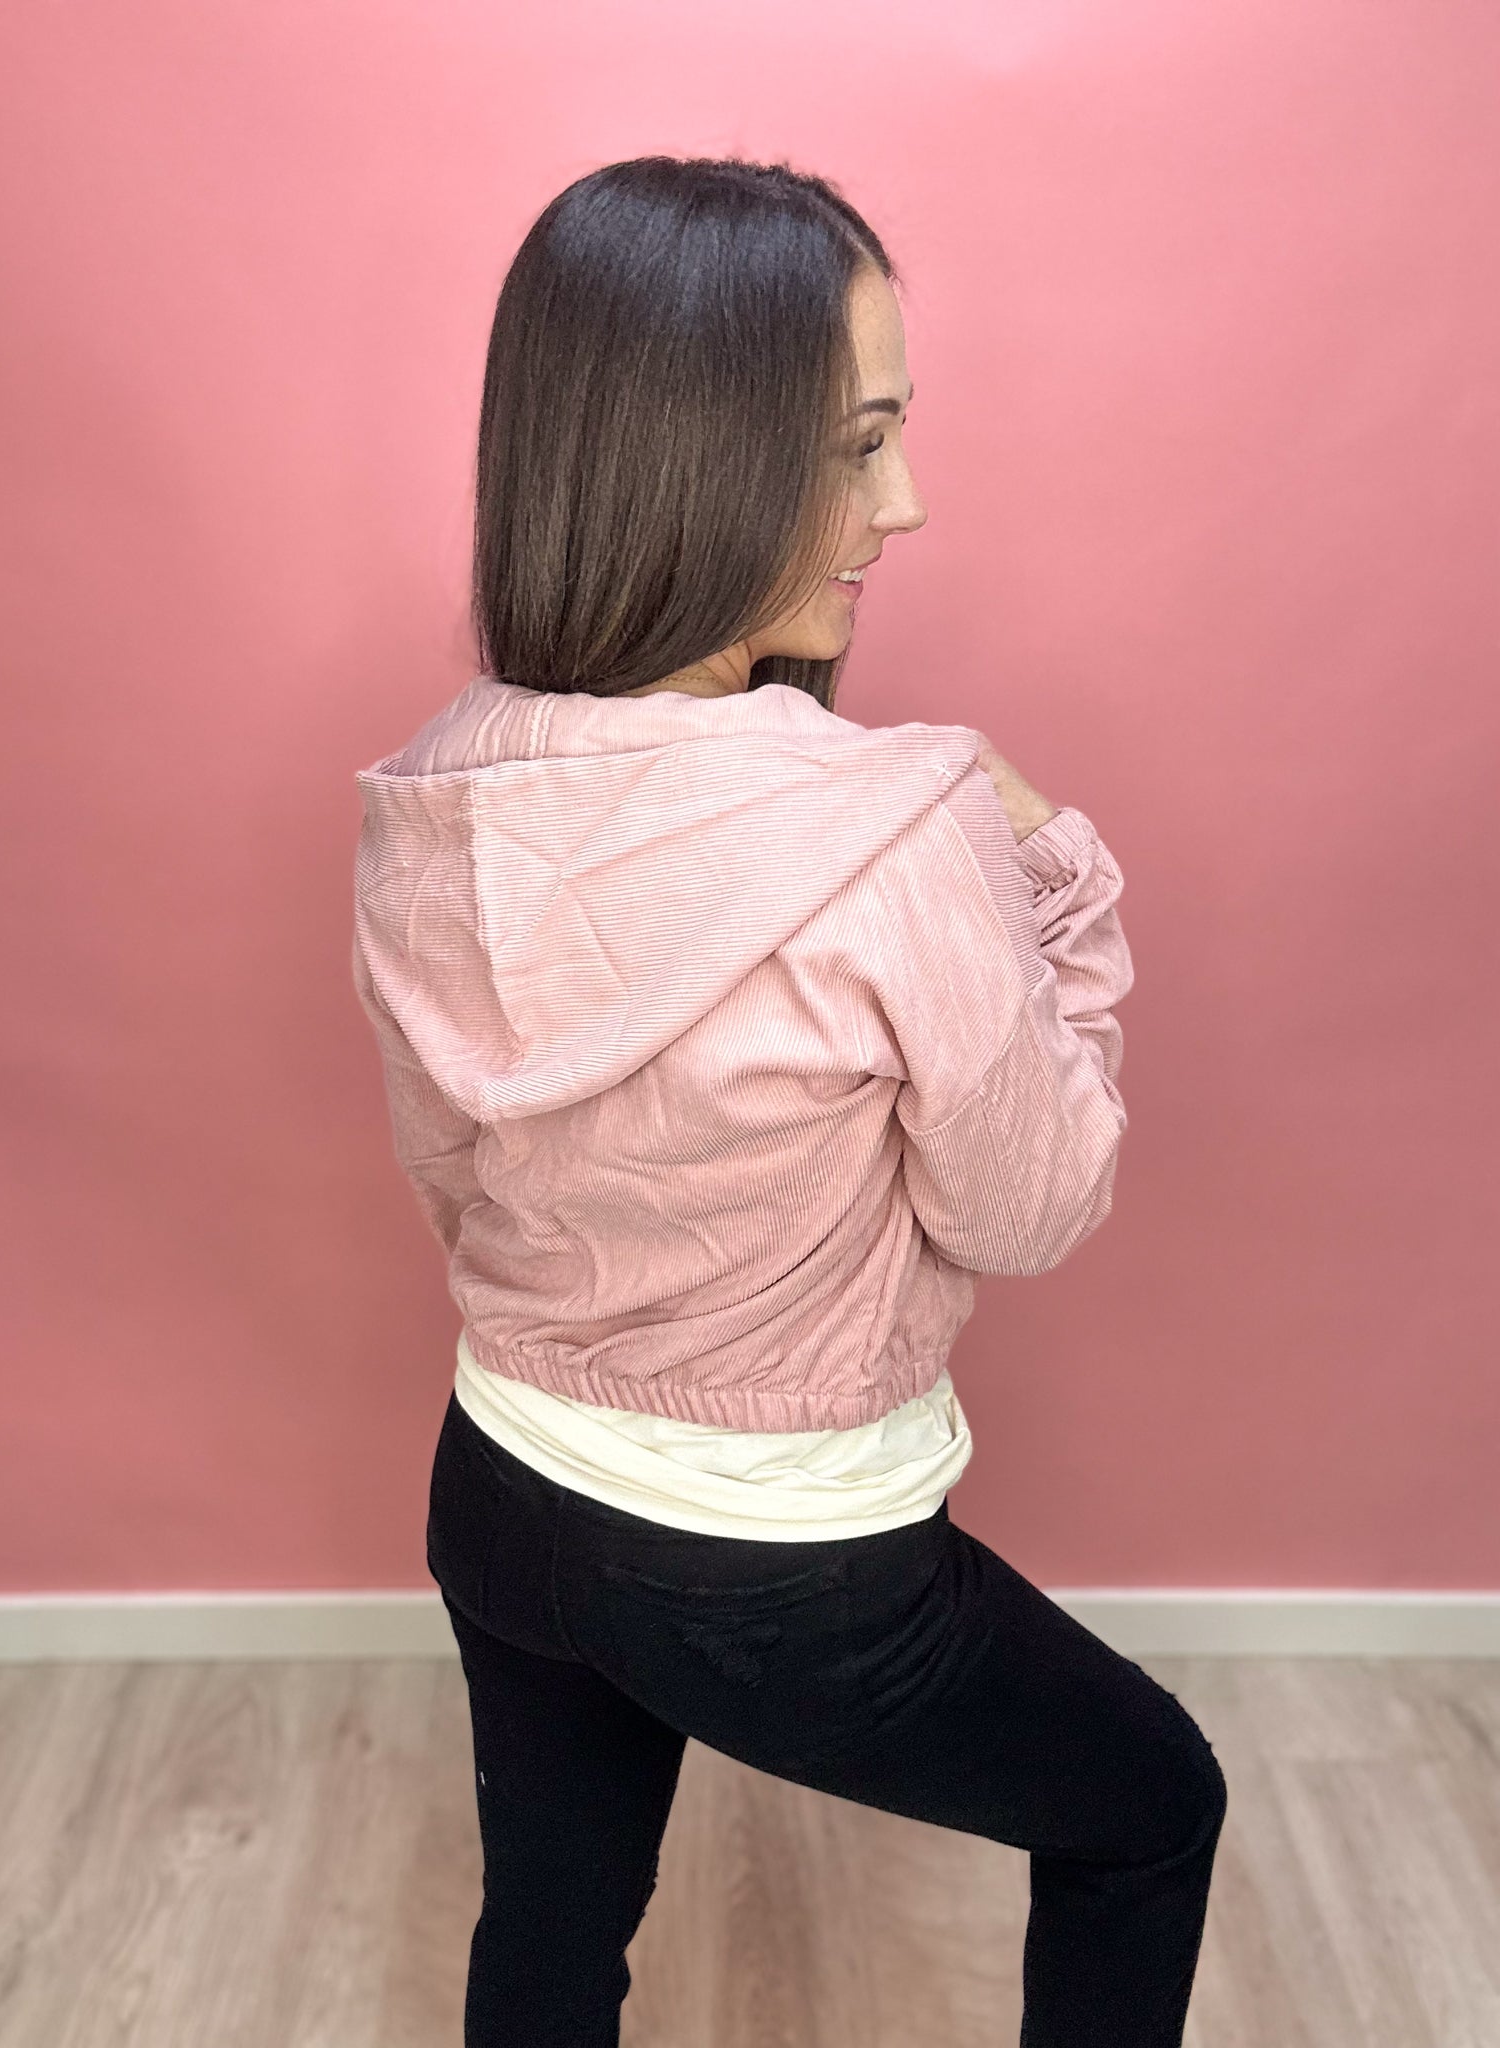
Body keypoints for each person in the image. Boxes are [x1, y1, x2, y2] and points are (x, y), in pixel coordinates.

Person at [351, 153, 1226, 2048]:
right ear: (696, 459)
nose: (904, 504)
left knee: (554, 1936)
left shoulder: (430, 791)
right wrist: (1055, 867)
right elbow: (1031, 1207)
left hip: (503, 1488)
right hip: (780, 1569)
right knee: (1157, 1810)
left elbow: (455, 1170)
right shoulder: (898, 824)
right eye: (859, 446)